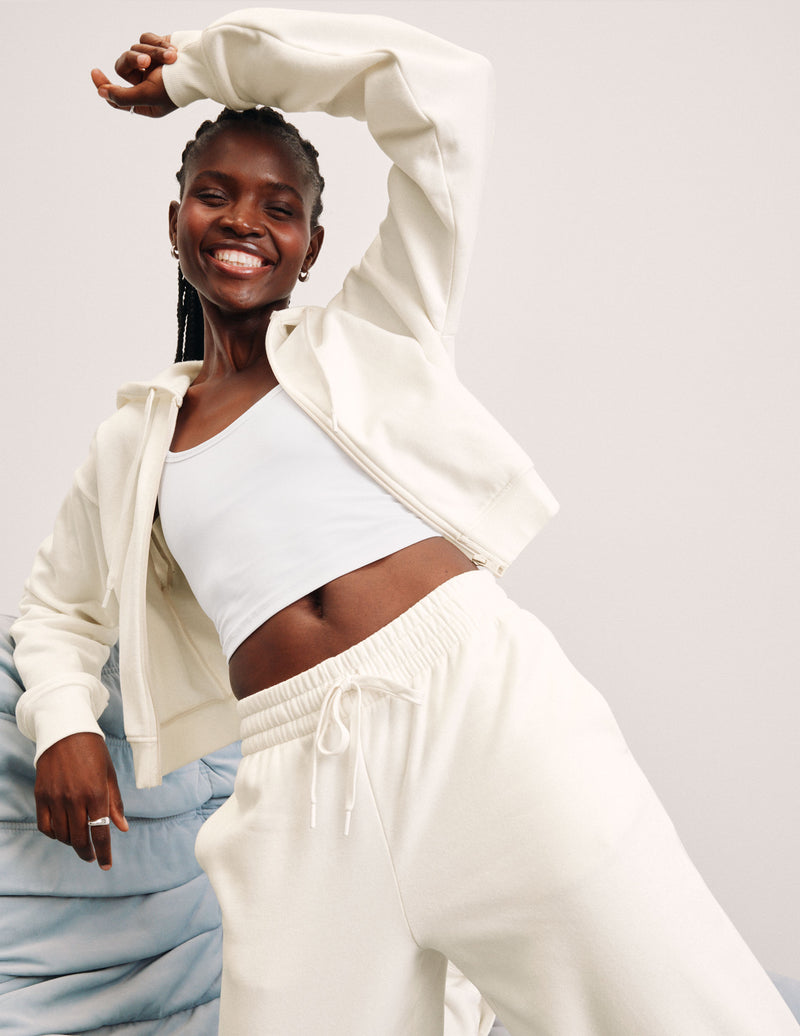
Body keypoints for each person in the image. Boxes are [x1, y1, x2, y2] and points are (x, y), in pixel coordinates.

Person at [11, 9, 799, 1035]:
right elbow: (58, 611)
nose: (244, 219)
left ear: (310, 248)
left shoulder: (378, 328)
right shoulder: (135, 443)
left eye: (279, 206)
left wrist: (206, 69)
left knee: (681, 1005)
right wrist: (66, 723)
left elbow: (445, 95)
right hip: (293, 788)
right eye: (214, 194)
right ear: (174, 224)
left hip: (476, 714)